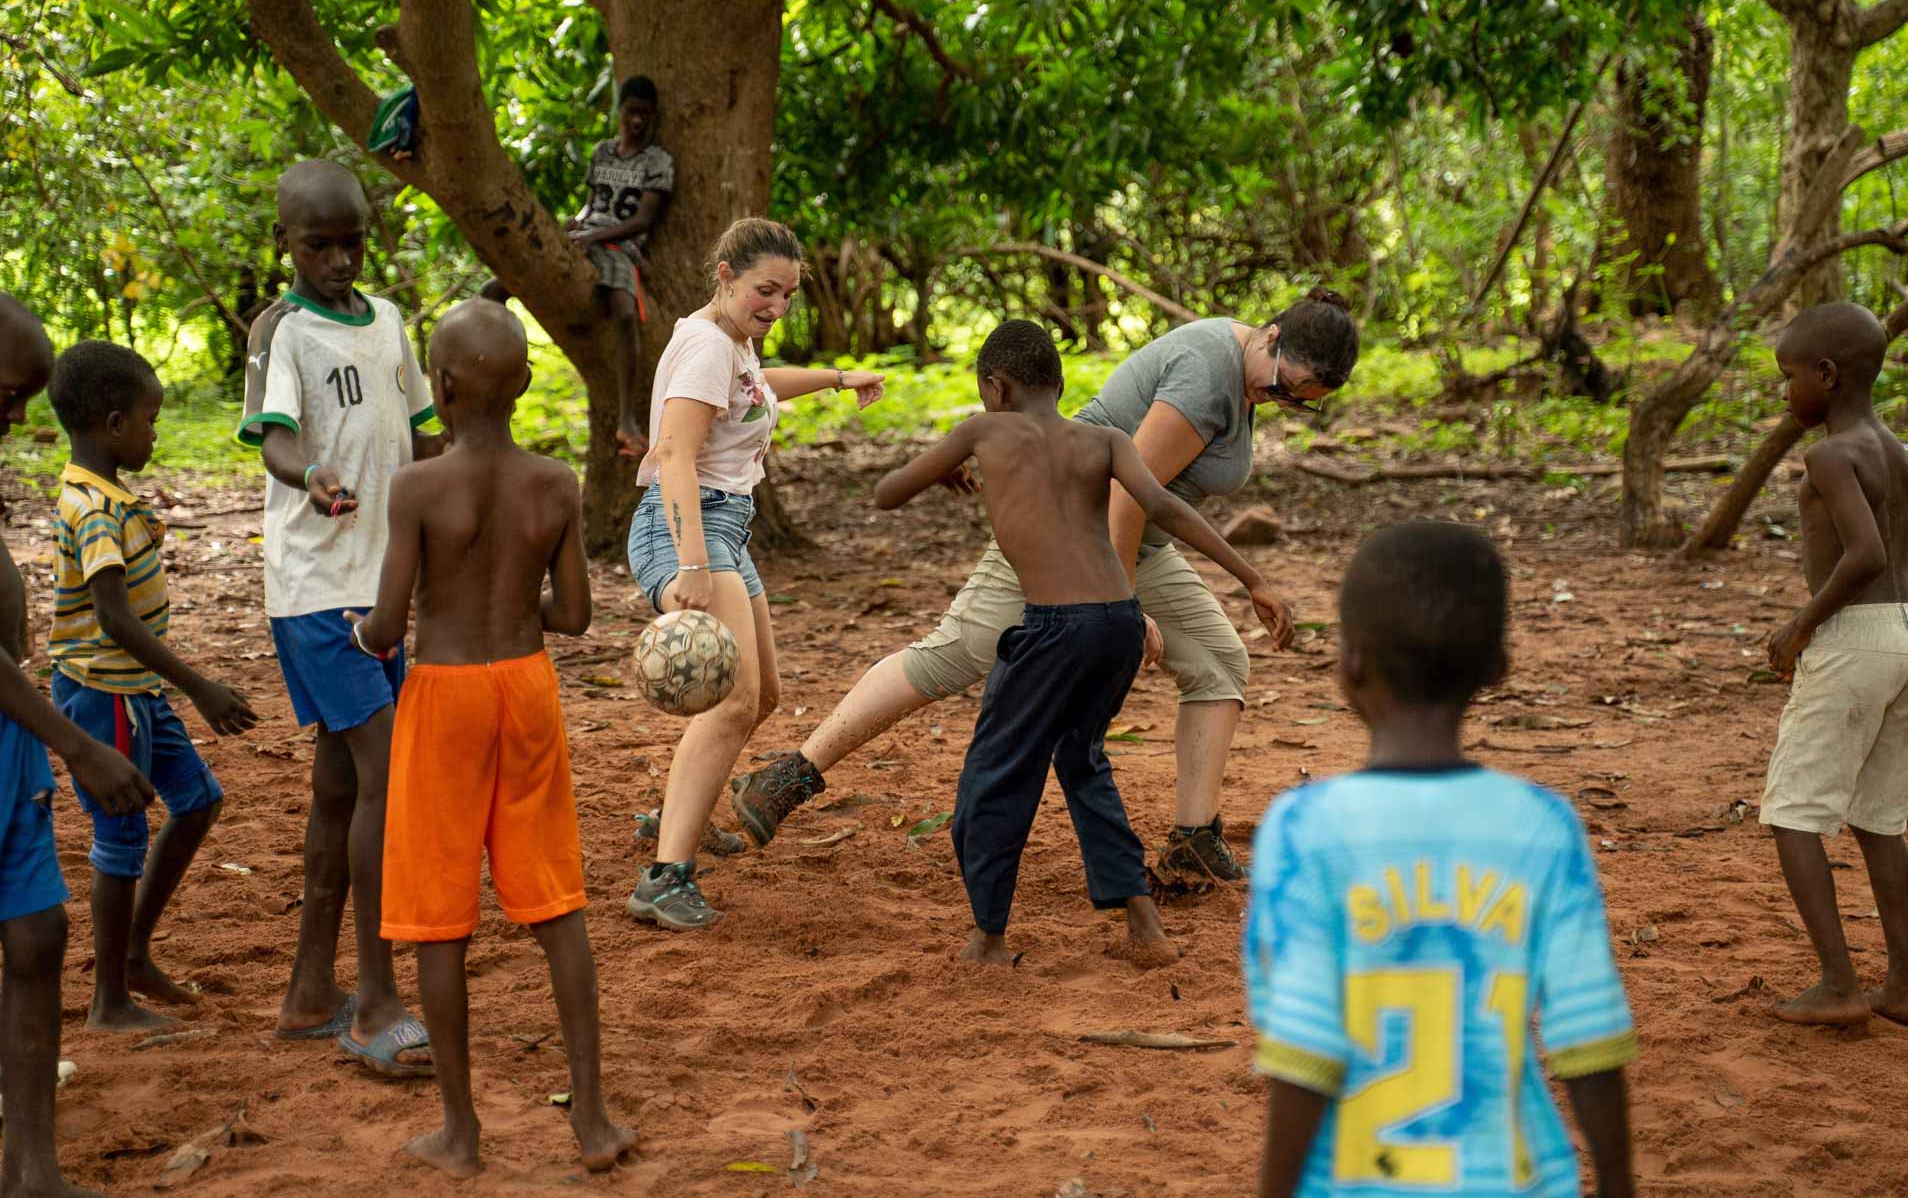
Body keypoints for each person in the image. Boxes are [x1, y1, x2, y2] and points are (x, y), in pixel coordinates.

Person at [735, 290, 1359, 884]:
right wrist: (1122, 605)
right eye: (1282, 383)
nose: (1280, 398)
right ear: (1269, 336)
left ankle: (1193, 841)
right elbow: (1124, 495)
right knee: (958, 653)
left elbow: (1154, 509)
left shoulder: (1247, 369)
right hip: (1059, 521)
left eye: (1300, 400)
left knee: (1220, 662)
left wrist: (1249, 579)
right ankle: (793, 774)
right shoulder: (1205, 372)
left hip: (1131, 540)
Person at [874, 321, 1285, 966]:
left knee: (993, 779)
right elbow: (1167, 509)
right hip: (1120, 622)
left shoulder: (983, 430)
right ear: (1060, 385)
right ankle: (1142, 920)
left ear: (994, 386)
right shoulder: (1107, 438)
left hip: (1051, 631)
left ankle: (987, 936)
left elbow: (886, 493)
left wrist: (945, 468)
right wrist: (1252, 578)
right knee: (1081, 759)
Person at [1246, 520, 1636, 1198]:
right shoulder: (1544, 826)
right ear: (1498, 668)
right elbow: (1588, 1040)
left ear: (1351, 662)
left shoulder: (1305, 827)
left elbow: (1306, 1049)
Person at [346, 300, 635, 1178]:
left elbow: (391, 627)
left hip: (445, 698)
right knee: (556, 905)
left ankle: (462, 1135)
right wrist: (519, 609)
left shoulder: (418, 486)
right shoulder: (554, 482)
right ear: (525, 386)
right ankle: (589, 1119)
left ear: (439, 388)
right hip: (527, 688)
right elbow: (576, 615)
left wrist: (360, 632)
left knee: (440, 924)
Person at [236, 159, 441, 1077]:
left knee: (338, 787)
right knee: (385, 771)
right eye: (318, 244)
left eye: (352, 241)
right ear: (287, 242)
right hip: (318, 587)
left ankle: (310, 993)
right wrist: (306, 473)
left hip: (385, 585)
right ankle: (378, 999)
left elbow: (424, 434)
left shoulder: (392, 322)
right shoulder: (284, 331)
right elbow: (277, 434)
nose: (338, 259)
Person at [623, 216, 885, 930]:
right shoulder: (709, 345)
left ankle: (676, 814)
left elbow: (756, 387)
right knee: (733, 703)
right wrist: (692, 565)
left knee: (761, 693)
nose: (777, 306)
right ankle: (664, 877)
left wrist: (837, 377)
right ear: (726, 276)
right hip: (689, 527)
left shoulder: (728, 342)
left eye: (789, 295)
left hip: (723, 526)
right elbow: (674, 454)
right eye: (765, 291)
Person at [45, 342, 258, 1034]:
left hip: (136, 692)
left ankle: (134, 956)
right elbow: (113, 616)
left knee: (197, 802)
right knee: (121, 833)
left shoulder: (102, 493)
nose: (155, 432)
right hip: (105, 694)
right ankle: (109, 1001)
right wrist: (200, 687)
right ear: (112, 424)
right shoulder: (95, 510)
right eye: (150, 420)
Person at [0, 294, 154, 1198]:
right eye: (10, 392)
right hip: (29, 723)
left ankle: (35, 1174)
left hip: (13, 738)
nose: (20, 415)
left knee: (36, 937)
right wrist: (80, 749)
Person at [1760, 302, 1908, 1027]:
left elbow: (1867, 554)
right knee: (1879, 820)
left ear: (1825, 375)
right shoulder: (1893, 449)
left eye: (1787, 377)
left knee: (1794, 813)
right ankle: (1907, 986)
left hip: (1855, 640)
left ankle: (1839, 984)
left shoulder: (1830, 453)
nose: (1783, 392)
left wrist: (1800, 625)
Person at [484, 75, 672, 458]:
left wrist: (594, 238)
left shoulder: (658, 161)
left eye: (645, 116)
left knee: (623, 312)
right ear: (620, 112)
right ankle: (503, 373)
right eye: (632, 113)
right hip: (586, 236)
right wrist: (575, 225)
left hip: (620, 245)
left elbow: (643, 220)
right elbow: (592, 203)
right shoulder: (603, 152)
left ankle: (626, 418)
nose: (638, 122)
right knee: (495, 289)